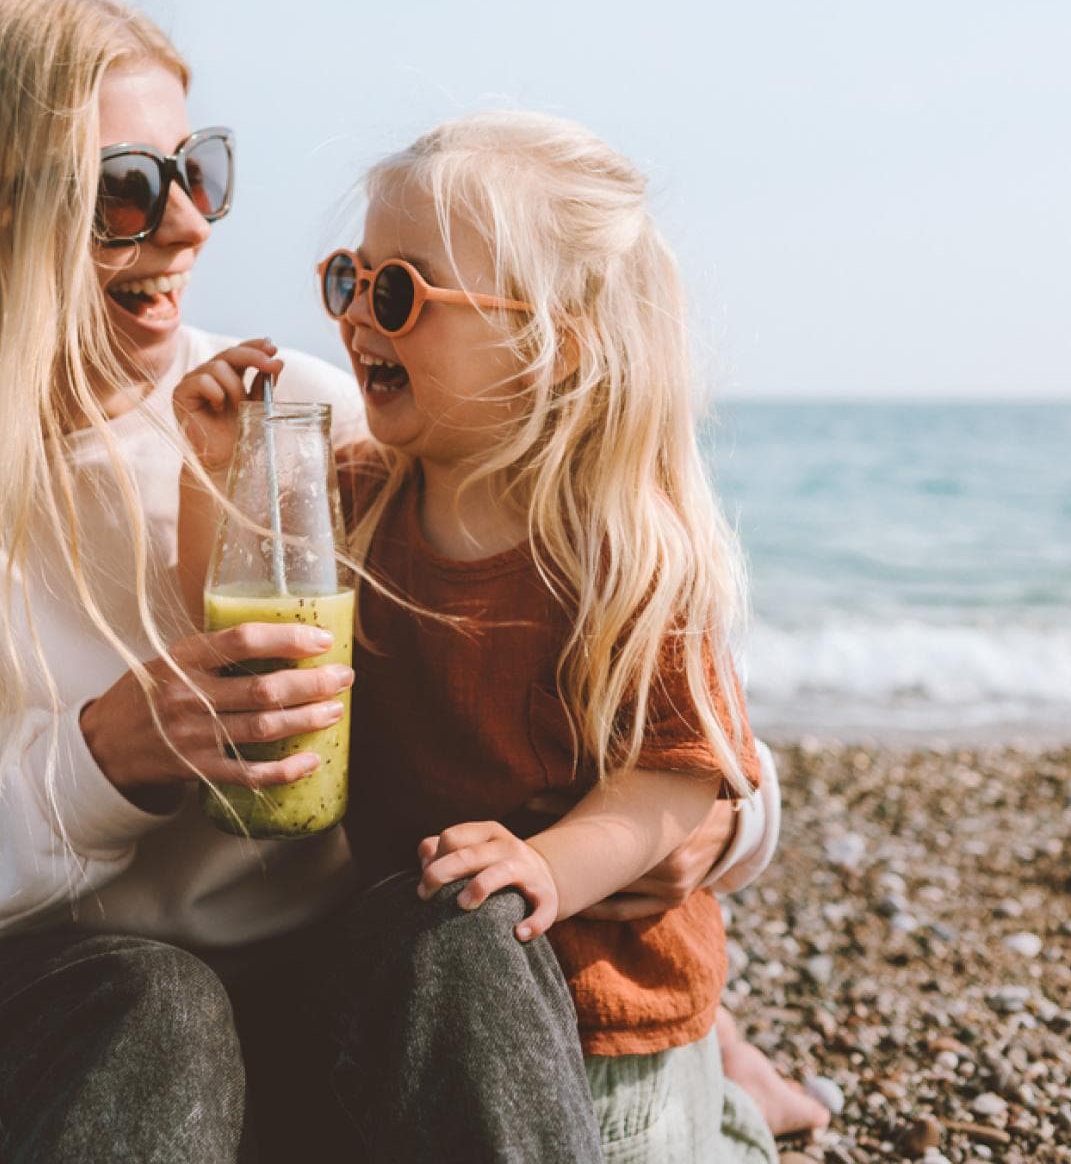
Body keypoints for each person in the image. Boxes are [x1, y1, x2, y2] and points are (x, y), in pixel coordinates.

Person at [0, 0, 807, 1161]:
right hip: (19, 1021)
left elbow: (628, 686)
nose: (194, 227)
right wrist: (107, 755)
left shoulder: (296, 421)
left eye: (198, 172)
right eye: (126, 193)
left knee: (461, 925)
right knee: (156, 1008)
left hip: (303, 1006)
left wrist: (703, 837)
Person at [173, 110, 797, 1158]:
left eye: (400, 293)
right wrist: (219, 467)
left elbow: (675, 777)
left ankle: (732, 1115)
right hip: (419, 980)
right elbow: (253, 630)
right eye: (348, 281)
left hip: (607, 1007)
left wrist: (549, 865)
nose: (359, 320)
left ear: (552, 347)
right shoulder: (359, 501)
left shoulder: (626, 556)